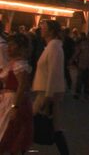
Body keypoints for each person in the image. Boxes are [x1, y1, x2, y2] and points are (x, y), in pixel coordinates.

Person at [32, 20, 69, 155]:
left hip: (46, 93)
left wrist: (48, 95)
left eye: (44, 27)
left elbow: (54, 72)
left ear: (51, 31)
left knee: (28, 122)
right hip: (47, 91)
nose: (41, 29)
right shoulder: (51, 46)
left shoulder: (53, 47)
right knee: (55, 127)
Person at [0, 33, 33, 154]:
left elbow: (22, 86)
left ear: (20, 47)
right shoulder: (13, 63)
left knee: (8, 133)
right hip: (6, 100)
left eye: (12, 46)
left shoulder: (20, 65)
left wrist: (15, 106)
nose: (8, 48)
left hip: (12, 101)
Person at [72, 31, 89, 99]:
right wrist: (73, 58)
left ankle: (86, 93)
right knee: (79, 79)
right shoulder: (83, 43)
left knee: (88, 80)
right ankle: (77, 92)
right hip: (82, 64)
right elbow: (77, 52)